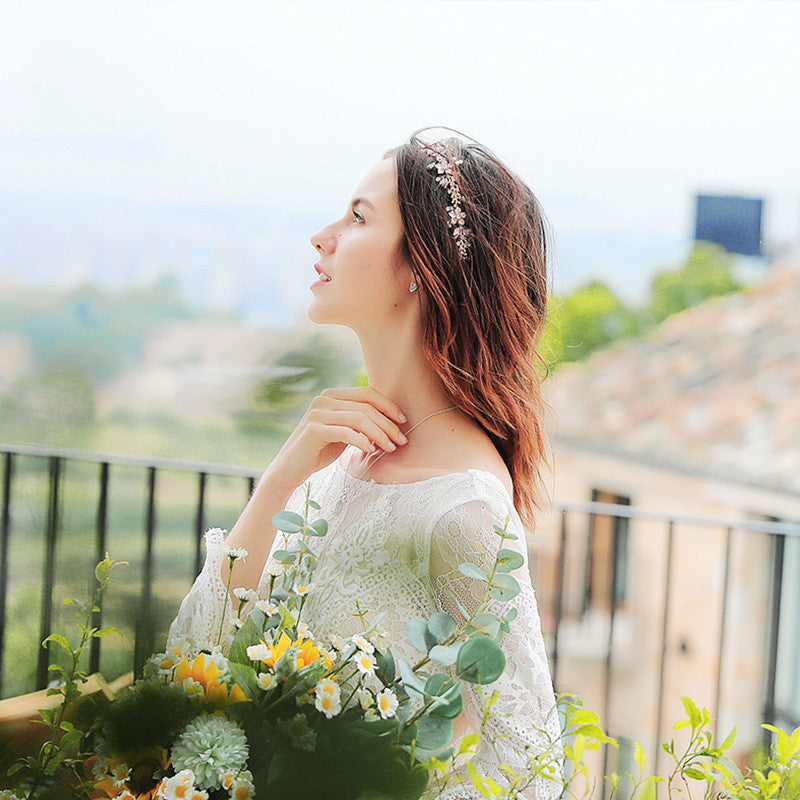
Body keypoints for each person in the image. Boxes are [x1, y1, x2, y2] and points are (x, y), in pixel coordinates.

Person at [166, 128, 562, 799]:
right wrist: (281, 481)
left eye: (356, 217)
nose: (321, 237)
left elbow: (529, 764)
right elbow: (192, 656)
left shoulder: (463, 509)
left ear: (422, 265)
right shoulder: (339, 463)